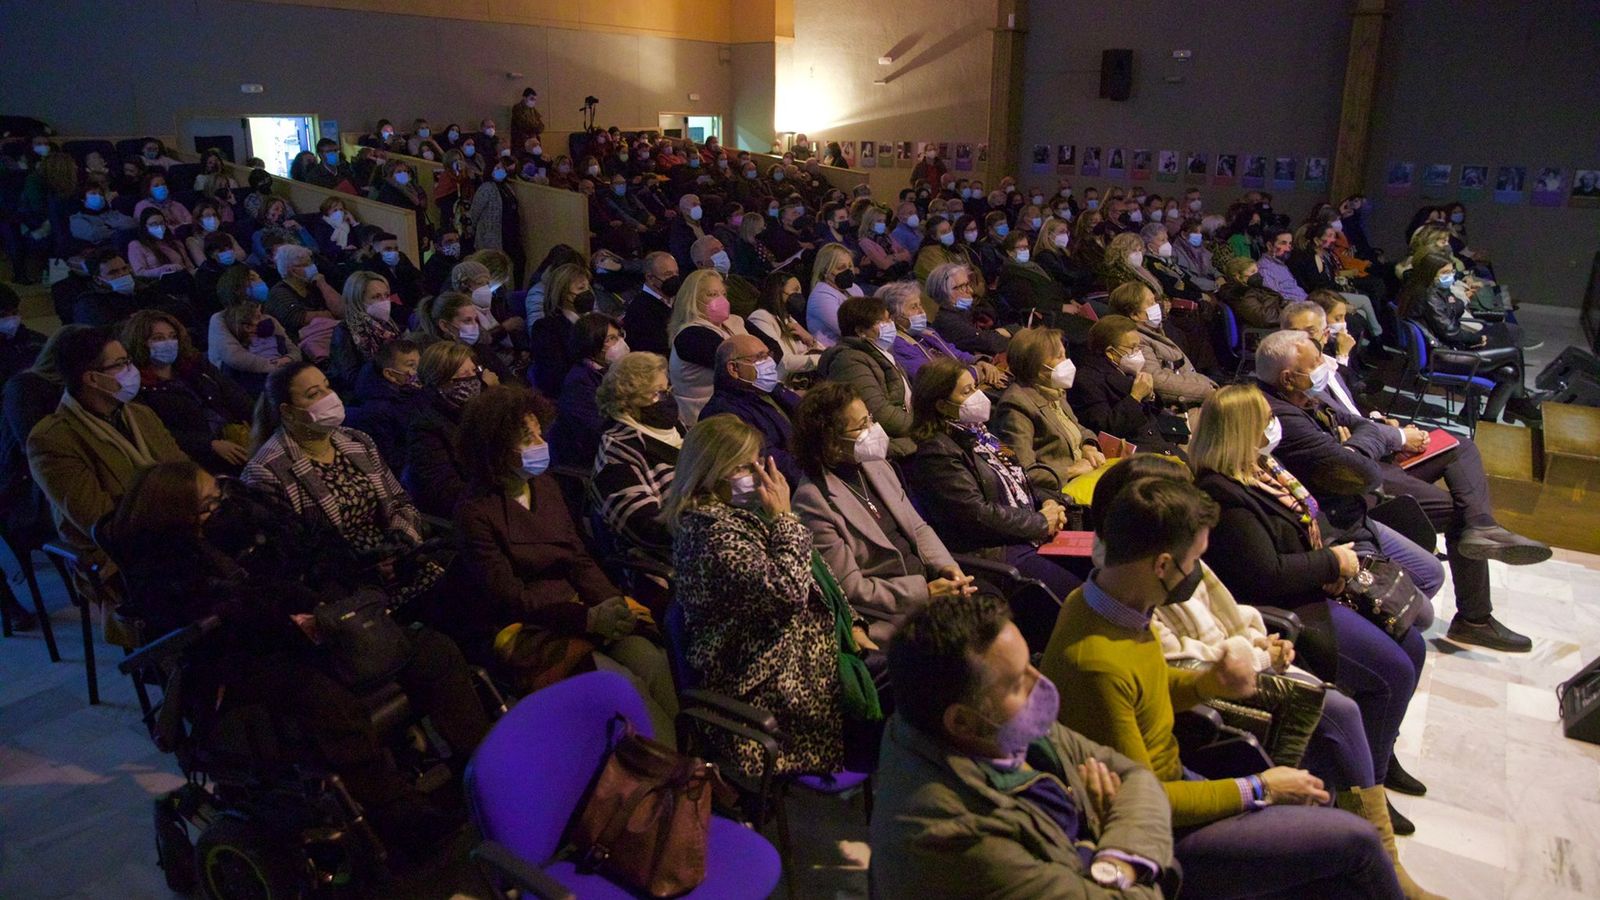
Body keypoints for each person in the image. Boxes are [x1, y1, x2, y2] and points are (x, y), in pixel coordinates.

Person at [1040, 474, 1405, 900]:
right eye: (1194, 560)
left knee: (1323, 817)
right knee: (1358, 842)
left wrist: (1207, 682)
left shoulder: (1108, 605)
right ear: (1162, 565)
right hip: (1162, 833)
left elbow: (1147, 686)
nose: (1196, 573)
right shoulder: (1095, 663)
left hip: (1179, 782)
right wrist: (1261, 787)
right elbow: (1146, 799)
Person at [108, 461, 488, 863]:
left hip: (311, 622)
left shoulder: (245, 516)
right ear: (180, 518)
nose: (221, 504)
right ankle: (400, 815)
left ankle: (482, 766)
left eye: (218, 492)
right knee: (328, 702)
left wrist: (325, 594)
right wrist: (286, 615)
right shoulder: (163, 567)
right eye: (208, 504)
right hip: (243, 658)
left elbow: (308, 548)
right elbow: (221, 627)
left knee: (430, 651)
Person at [1253, 330, 1547, 651]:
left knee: (1460, 450)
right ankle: (1468, 615)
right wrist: (1360, 446)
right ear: (1288, 377)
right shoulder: (1282, 415)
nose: (1324, 362)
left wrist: (1363, 442)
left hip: (1368, 472)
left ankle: (1482, 527)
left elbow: (1361, 423)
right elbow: (1358, 470)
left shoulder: (1308, 397)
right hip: (1346, 507)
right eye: (1315, 362)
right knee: (1453, 531)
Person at [870, 593, 1176, 898]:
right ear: (962, 721)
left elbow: (1136, 776)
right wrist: (1109, 841)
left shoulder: (1000, 728)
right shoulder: (958, 838)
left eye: (1030, 663)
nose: (1038, 680)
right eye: (1016, 683)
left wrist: (1113, 858)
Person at [449, 384, 677, 739]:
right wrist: (588, 619)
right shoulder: (475, 512)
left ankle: (693, 746)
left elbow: (577, 557)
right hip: (528, 624)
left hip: (580, 603)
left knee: (651, 659)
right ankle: (663, 761)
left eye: (539, 431)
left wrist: (610, 604)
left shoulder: (545, 485)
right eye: (528, 438)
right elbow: (509, 596)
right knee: (619, 684)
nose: (541, 443)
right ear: (496, 448)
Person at [665, 413, 879, 775]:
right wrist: (785, 519)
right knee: (907, 685)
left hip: (804, 655)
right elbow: (788, 593)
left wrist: (853, 624)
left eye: (757, 463)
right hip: (769, 685)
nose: (756, 474)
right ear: (709, 472)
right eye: (742, 467)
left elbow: (818, 575)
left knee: (911, 667)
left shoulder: (745, 514)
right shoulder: (710, 535)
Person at [26, 328, 188, 641]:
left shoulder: (140, 415)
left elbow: (183, 472)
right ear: (92, 378)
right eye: (121, 364)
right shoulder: (53, 439)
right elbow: (101, 522)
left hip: (174, 529)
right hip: (120, 557)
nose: (132, 370)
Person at [243, 362, 442, 611]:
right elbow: (291, 558)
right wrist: (364, 567)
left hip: (400, 561)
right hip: (344, 588)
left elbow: (400, 502)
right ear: (288, 411)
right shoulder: (267, 471)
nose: (328, 397)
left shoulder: (357, 440)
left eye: (327, 387)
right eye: (313, 394)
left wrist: (403, 544)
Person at [791, 382, 974, 645]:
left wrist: (948, 568)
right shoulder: (813, 501)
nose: (872, 429)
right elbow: (851, 588)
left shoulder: (875, 465)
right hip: (894, 613)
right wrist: (924, 592)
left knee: (993, 605)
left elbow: (918, 527)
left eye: (870, 419)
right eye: (861, 425)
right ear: (831, 442)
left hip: (933, 586)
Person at [903, 358, 1080, 599]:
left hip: (1026, 531)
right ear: (942, 406)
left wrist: (1049, 502)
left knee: (1097, 567)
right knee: (1077, 595)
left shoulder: (984, 435)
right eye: (967, 391)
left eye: (975, 387)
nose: (977, 395)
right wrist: (1039, 522)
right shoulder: (936, 453)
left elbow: (1018, 477)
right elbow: (976, 514)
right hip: (996, 550)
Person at [1397, 252, 1540, 424]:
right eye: (1444, 273)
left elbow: (1455, 309)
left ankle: (1479, 417)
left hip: (1447, 348)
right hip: (1442, 356)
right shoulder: (1428, 296)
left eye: (1451, 271)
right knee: (1514, 352)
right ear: (1430, 273)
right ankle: (1516, 404)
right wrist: (1476, 339)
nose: (1450, 276)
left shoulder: (1433, 290)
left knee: (1510, 373)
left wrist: (1452, 295)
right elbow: (1450, 331)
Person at [992, 326, 1118, 505]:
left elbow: (1076, 427)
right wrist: (1071, 470)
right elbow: (1023, 470)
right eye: (1059, 357)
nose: (1067, 362)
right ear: (1036, 364)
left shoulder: (1052, 390)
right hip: (1060, 494)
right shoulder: (1016, 405)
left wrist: (1088, 446)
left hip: (1085, 477)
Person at [122, 310, 252, 475]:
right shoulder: (138, 387)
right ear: (140, 343)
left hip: (235, 434)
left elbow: (233, 392)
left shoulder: (194, 365)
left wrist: (257, 422)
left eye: (172, 336)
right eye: (158, 338)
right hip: (199, 458)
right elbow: (157, 434)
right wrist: (209, 444)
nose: (168, 343)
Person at [592, 351, 680, 562]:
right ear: (628, 401)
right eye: (658, 393)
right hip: (670, 555)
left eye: (667, 389)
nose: (667, 398)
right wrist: (705, 527)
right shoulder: (617, 451)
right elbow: (644, 527)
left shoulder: (673, 429)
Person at [815, 295, 920, 458]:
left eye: (889, 319)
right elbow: (879, 412)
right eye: (881, 322)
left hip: (908, 430)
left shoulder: (879, 352)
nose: (890, 325)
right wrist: (922, 427)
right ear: (860, 331)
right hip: (891, 442)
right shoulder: (848, 361)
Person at [402, 341, 495, 518]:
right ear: (442, 382)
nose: (474, 380)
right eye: (464, 375)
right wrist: (496, 500)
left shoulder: (481, 410)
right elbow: (445, 490)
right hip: (469, 510)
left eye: (474, 372)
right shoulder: (425, 427)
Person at [700, 334, 802, 486]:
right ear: (734, 369)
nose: (769, 362)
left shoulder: (769, 390)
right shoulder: (722, 414)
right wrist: (820, 473)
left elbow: (811, 414)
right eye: (760, 357)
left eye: (768, 355)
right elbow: (773, 463)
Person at [1070, 316, 1181, 455]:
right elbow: (1106, 429)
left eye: (1139, 347)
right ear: (1110, 352)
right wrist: (1135, 397)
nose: (1138, 352)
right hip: (1132, 453)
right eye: (1133, 348)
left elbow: (1153, 412)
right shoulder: (1087, 380)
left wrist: (1150, 395)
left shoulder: (1125, 370)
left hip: (1155, 441)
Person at [1105, 283, 1215, 407]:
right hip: (1183, 404)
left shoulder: (1153, 331)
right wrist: (1207, 390)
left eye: (1155, 301)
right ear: (1134, 315)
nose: (1157, 306)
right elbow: (1157, 381)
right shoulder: (1136, 341)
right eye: (1151, 303)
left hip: (1195, 389)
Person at [668, 269, 750, 425]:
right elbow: (743, 367)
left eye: (723, 294)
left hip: (731, 411)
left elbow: (770, 348)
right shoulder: (691, 335)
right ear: (693, 299)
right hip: (705, 421)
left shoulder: (732, 322)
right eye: (712, 294)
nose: (721, 300)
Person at [549, 313, 626, 469]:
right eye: (611, 339)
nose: (620, 343)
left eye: (619, 336)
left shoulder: (613, 371)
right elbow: (595, 430)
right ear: (592, 344)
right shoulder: (579, 383)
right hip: (591, 458)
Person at [344, 339, 424, 474]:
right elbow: (391, 459)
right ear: (390, 374)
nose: (418, 371)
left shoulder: (411, 391)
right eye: (411, 366)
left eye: (419, 364)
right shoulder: (377, 410)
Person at [526, 263, 593, 398]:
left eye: (588, 287)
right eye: (581, 288)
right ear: (563, 294)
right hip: (570, 395)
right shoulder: (546, 329)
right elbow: (554, 377)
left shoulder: (594, 321)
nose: (587, 293)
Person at [746, 271, 822, 381]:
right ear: (778, 293)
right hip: (783, 382)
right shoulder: (760, 317)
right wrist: (823, 360)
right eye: (795, 290)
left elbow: (814, 352)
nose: (799, 295)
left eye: (800, 291)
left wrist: (810, 339)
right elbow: (784, 362)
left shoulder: (787, 318)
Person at [265, 244, 342, 346]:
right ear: (292, 270)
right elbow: (299, 319)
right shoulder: (279, 293)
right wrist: (329, 314)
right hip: (300, 344)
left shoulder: (313, 285)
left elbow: (341, 310)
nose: (312, 267)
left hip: (328, 335)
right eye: (305, 265)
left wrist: (322, 284)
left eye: (311, 263)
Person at [925, 261, 1008, 357]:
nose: (971, 290)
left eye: (968, 284)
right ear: (943, 292)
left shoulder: (965, 311)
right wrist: (1006, 332)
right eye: (962, 287)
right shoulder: (948, 322)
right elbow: (990, 343)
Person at [806, 243, 865, 346]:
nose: (848, 271)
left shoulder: (854, 288)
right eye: (841, 267)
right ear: (825, 271)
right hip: (836, 350)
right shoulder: (821, 297)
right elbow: (848, 330)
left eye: (850, 266)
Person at [622, 252, 680, 356]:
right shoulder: (640, 310)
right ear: (650, 278)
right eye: (668, 274)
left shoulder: (677, 299)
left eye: (676, 273)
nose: (674, 278)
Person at [1217, 256, 1287, 329]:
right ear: (1238, 277)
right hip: (1268, 330)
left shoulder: (1255, 288)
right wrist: (1289, 315)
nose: (1257, 275)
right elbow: (1267, 318)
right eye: (1253, 272)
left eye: (1257, 271)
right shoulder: (1240, 296)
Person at [1256, 227, 1308, 301]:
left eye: (1290, 244)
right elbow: (1274, 300)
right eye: (1283, 243)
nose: (1288, 248)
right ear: (1269, 246)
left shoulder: (1280, 263)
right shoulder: (1265, 268)